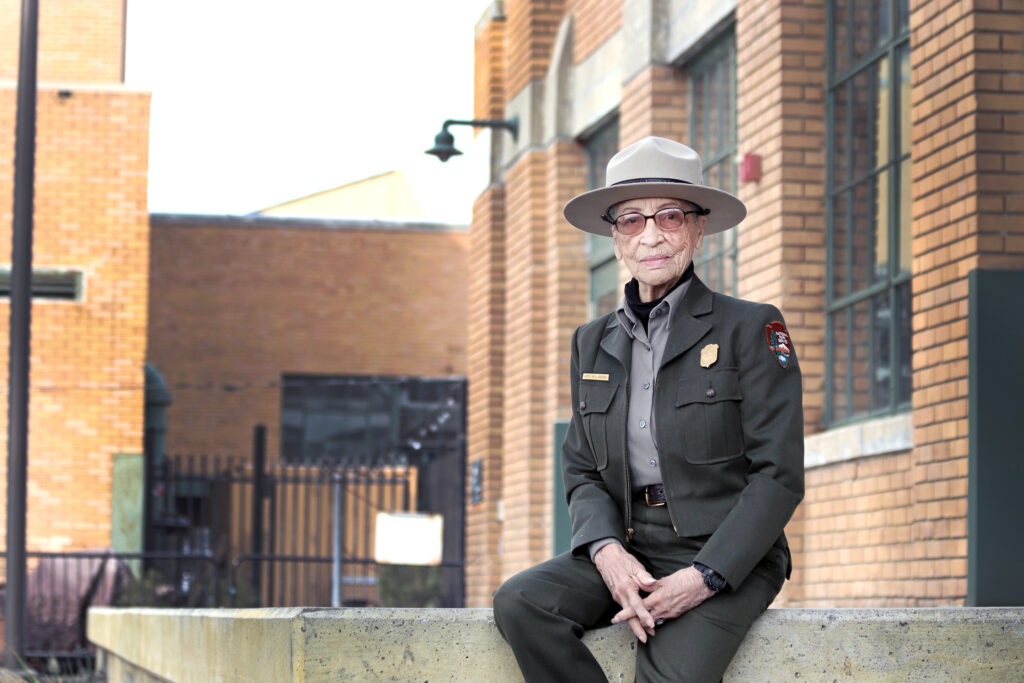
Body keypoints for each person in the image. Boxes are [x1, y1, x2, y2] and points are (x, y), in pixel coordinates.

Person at [492, 136, 805, 682]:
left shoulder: (750, 327)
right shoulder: (590, 342)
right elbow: (583, 469)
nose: (652, 236)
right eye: (632, 220)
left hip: (727, 552)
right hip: (632, 546)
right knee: (523, 602)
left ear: (698, 227)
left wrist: (704, 576)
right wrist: (608, 553)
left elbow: (778, 476)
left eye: (670, 216)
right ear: (614, 237)